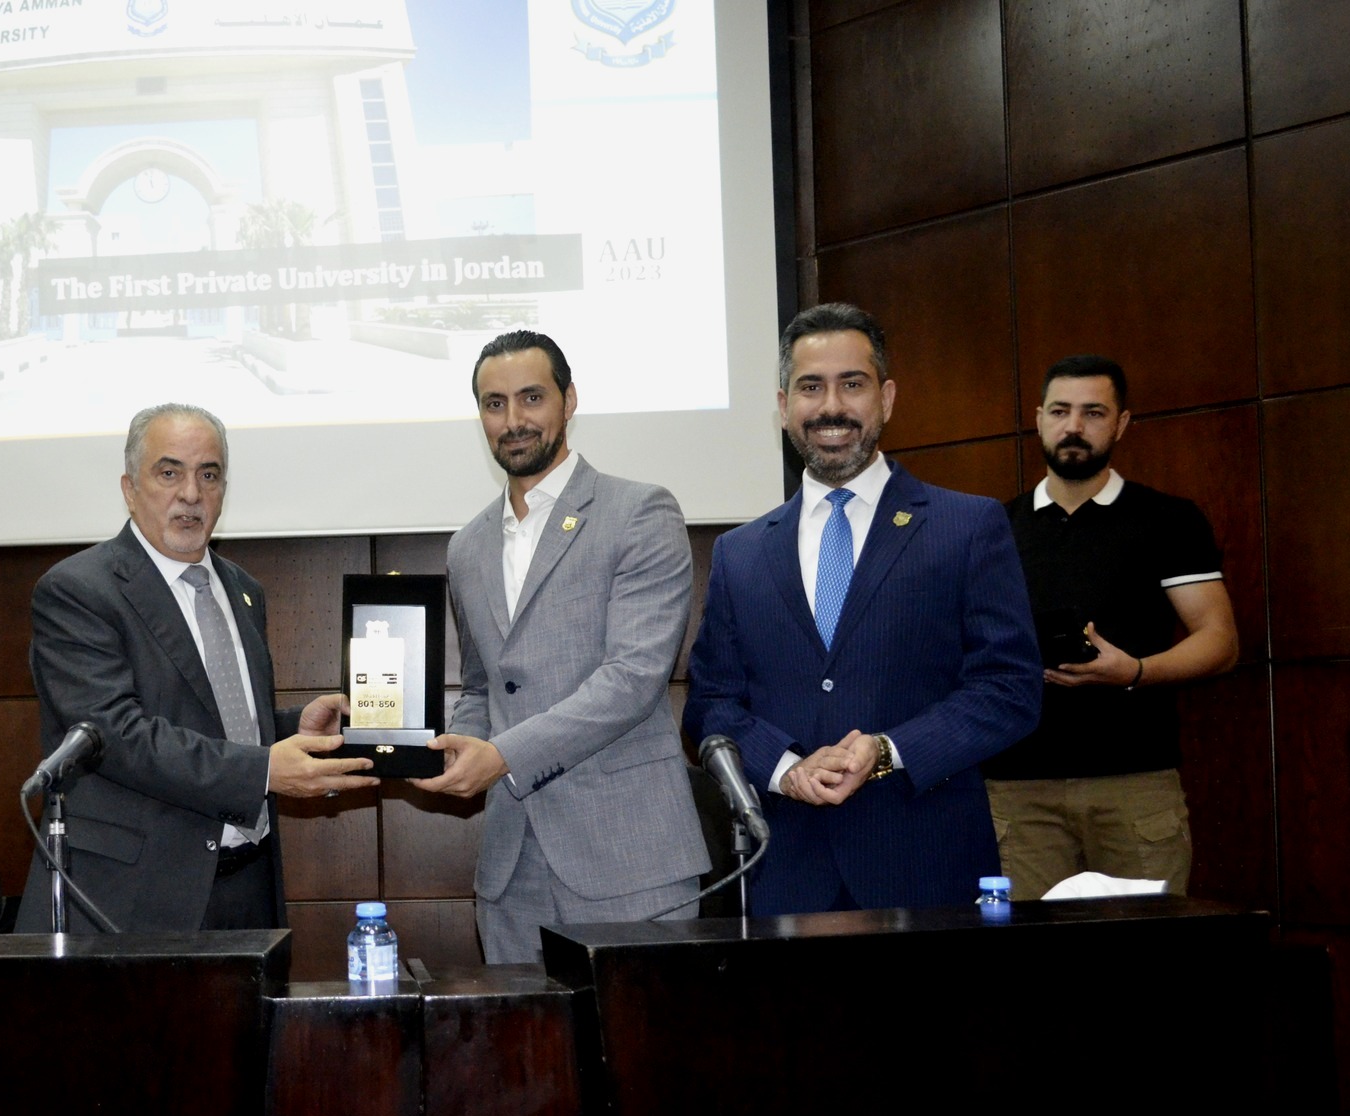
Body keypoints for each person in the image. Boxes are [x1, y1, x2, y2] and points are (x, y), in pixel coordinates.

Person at [682, 303, 1041, 915]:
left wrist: (887, 751)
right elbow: (711, 703)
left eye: (852, 384)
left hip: (926, 867)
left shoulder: (966, 526)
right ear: (783, 406)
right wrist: (785, 768)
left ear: (887, 398)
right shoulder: (741, 553)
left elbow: (1011, 689)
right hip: (787, 874)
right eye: (810, 387)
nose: (831, 407)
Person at [22, 403, 378, 933]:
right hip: (135, 899)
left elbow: (215, 721)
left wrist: (292, 731)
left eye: (208, 476)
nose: (191, 493)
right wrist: (264, 769)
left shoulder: (243, 589)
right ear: (129, 488)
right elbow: (114, 735)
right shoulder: (78, 590)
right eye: (170, 473)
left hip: (249, 885)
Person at [411, 331, 709, 964]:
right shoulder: (467, 546)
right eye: (494, 404)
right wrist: (450, 750)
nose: (513, 421)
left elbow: (633, 679)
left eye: (531, 397)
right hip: (511, 871)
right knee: (521, 1032)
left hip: (629, 859)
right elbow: (484, 687)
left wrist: (500, 756)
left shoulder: (640, 511)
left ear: (569, 400)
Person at [982, 355, 1238, 899]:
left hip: (1135, 782)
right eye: (1060, 411)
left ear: (1121, 423)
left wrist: (1135, 671)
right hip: (1017, 789)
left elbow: (1219, 641)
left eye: (1093, 413)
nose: (1074, 426)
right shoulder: (993, 528)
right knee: (1022, 950)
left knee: (1142, 946)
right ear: (1038, 419)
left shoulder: (1168, 520)